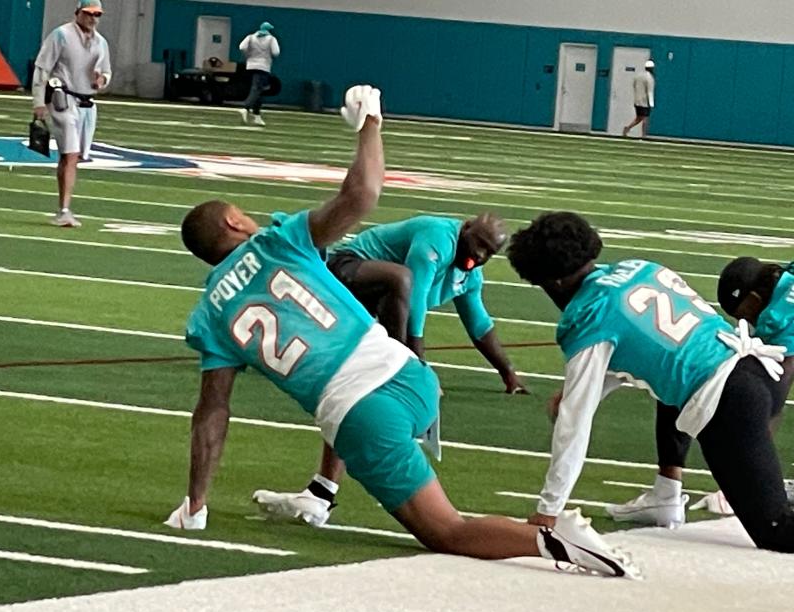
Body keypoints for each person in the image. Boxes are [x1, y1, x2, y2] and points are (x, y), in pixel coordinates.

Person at [163, 86, 635, 578]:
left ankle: (555, 540)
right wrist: (371, 125)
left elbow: (212, 412)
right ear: (235, 221)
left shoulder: (210, 316)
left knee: (445, 530)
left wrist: (196, 502)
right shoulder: (280, 241)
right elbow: (363, 194)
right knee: (340, 389)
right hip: (411, 378)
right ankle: (321, 494)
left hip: (364, 411)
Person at [507, 211, 794, 553]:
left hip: (728, 405)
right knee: (668, 378)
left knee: (778, 531)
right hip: (756, 372)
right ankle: (665, 493)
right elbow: (653, 353)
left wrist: (548, 511)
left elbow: (574, 426)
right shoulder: (640, 268)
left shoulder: (588, 317)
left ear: (551, 281)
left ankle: (669, 492)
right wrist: (577, 393)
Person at [253, 213, 528, 527]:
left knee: (357, 397)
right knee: (401, 282)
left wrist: (508, 372)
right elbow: (415, 296)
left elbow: (479, 323)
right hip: (349, 269)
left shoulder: (468, 275)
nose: (480, 255)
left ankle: (322, 492)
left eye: (489, 252)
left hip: (379, 302)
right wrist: (413, 360)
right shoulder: (439, 237)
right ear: (466, 228)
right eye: (479, 243)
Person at [607, 257, 794, 526]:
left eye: (746, 315)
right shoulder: (785, 279)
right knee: (690, 371)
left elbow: (772, 397)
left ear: (755, 298)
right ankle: (666, 492)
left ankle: (667, 490)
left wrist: (753, 478)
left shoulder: (781, 316)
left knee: (733, 383)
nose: (748, 323)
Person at [32, 0, 112, 228]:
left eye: (97, 15)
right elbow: (42, 68)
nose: (93, 19)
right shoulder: (61, 36)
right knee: (71, 154)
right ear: (78, 13)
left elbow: (106, 71)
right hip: (62, 99)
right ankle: (64, 209)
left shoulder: (101, 43)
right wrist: (38, 102)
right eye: (89, 14)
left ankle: (64, 207)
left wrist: (102, 80)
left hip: (87, 102)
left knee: (75, 157)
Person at [238, 21, 280, 127]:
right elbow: (276, 52)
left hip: (251, 65)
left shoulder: (251, 37)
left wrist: (248, 55)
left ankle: (257, 115)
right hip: (263, 66)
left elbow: (242, 47)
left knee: (259, 90)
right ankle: (246, 108)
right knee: (256, 89)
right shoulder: (271, 39)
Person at [623, 59, 655, 138]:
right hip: (644, 101)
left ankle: (627, 128)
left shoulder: (638, 76)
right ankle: (643, 135)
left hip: (637, 100)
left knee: (639, 118)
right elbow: (650, 91)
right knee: (645, 118)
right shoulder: (650, 78)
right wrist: (651, 103)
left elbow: (634, 85)